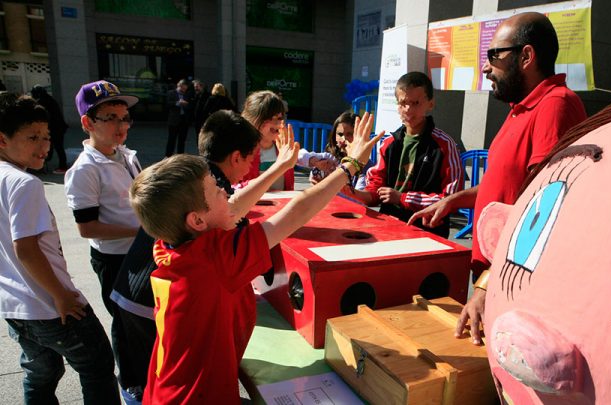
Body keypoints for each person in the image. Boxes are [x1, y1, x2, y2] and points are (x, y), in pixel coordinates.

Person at [131, 113, 381, 403]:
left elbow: (232, 208)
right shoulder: (214, 259)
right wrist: (351, 166)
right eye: (216, 190)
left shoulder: (174, 245)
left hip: (165, 392)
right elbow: (298, 211)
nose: (227, 193)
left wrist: (280, 166)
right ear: (197, 220)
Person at [408, 12, 587, 345]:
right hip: (492, 280)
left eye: (493, 56)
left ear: (527, 56)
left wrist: (487, 284)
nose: (486, 67)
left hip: (511, 285)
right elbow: (507, 185)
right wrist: (454, 200)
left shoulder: (556, 105)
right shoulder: (522, 108)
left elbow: (542, 209)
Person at [0, 94, 120, 404]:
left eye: (47, 137)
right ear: (2, 139)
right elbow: (25, 248)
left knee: (41, 372)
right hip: (50, 305)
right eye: (32, 138)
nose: (44, 146)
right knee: (97, 366)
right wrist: (62, 296)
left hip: (14, 306)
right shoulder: (23, 184)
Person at [64, 80, 144, 401]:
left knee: (143, 320)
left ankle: (146, 372)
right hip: (114, 259)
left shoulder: (125, 155)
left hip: (139, 252)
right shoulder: (85, 170)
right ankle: (131, 385)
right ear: (88, 122)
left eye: (124, 117)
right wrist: (142, 230)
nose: (120, 125)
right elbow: (87, 228)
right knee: (125, 324)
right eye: (110, 117)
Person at [343, 71, 463, 237]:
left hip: (428, 232)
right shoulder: (388, 143)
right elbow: (375, 190)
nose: (408, 109)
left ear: (431, 103)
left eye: (415, 103)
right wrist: (350, 192)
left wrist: (402, 198)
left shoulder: (444, 144)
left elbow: (452, 199)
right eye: (402, 103)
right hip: (389, 228)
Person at [239, 90, 294, 190]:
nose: (279, 123)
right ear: (253, 119)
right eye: (272, 118)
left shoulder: (281, 148)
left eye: (280, 117)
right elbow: (231, 189)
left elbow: (299, 156)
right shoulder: (241, 152)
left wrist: (312, 160)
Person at [30, 85, 69, 173]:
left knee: (53, 147)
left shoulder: (42, 102)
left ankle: (59, 166)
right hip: (58, 127)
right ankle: (61, 165)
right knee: (58, 147)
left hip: (54, 128)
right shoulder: (49, 99)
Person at [165, 79, 192, 156]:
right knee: (172, 140)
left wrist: (186, 104)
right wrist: (177, 103)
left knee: (182, 140)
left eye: (185, 89)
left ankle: (180, 156)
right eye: (182, 88)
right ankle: (168, 156)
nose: (184, 90)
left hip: (184, 120)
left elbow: (191, 105)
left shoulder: (187, 94)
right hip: (174, 120)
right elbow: (167, 104)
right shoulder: (171, 93)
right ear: (179, 86)